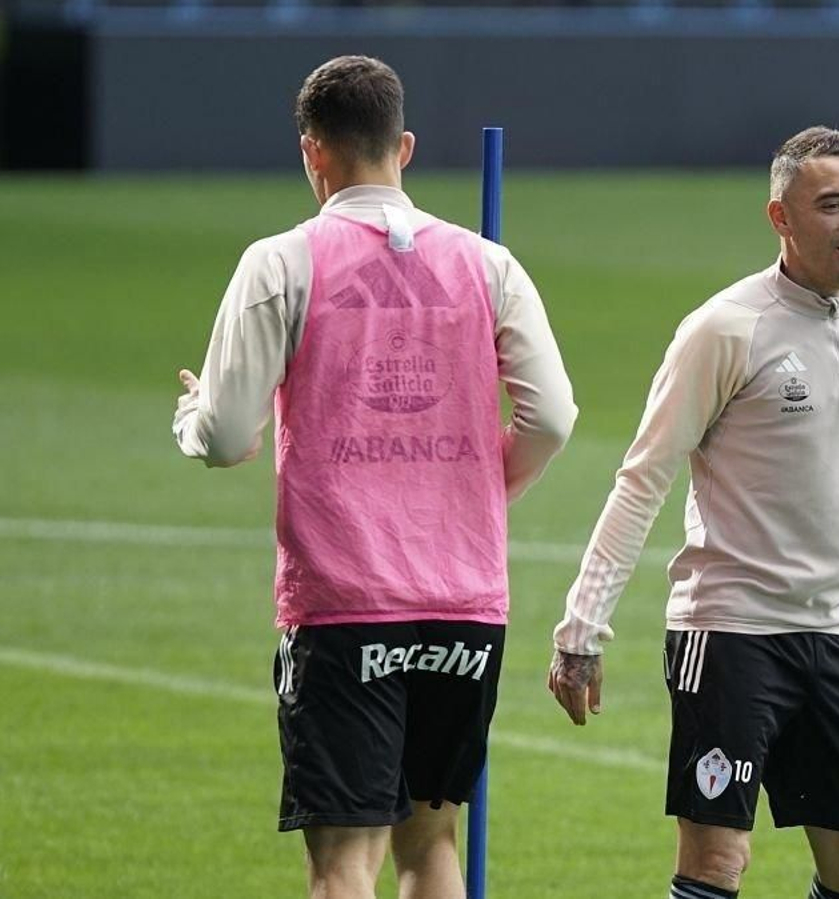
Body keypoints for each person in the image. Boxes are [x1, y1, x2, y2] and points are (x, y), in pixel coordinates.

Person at [171, 55, 577, 899]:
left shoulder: (283, 261)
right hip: (463, 601)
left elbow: (225, 433)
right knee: (431, 845)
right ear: (406, 146)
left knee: (343, 860)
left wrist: (193, 418)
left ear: (312, 152)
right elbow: (552, 417)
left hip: (346, 599)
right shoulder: (487, 264)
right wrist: (477, 491)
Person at [546, 126, 839, 899]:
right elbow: (642, 480)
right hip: (729, 633)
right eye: (834, 204)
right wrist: (581, 630)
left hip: (830, 634)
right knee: (717, 860)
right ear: (780, 217)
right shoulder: (725, 329)